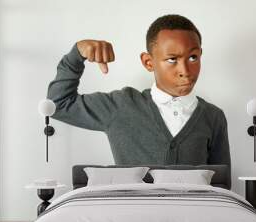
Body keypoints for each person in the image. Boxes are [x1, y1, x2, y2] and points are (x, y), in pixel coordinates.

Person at [47, 14, 231, 169]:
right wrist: (76, 55)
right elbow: (58, 105)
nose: (185, 70)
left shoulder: (213, 117)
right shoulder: (121, 106)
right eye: (172, 59)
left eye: (193, 57)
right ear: (148, 62)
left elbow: (221, 185)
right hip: (131, 211)